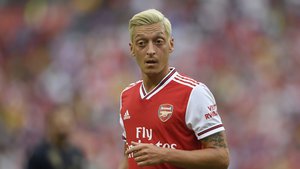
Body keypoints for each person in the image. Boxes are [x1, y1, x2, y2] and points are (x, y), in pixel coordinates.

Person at [118, 9, 230, 169]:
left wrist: (164, 154)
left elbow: (221, 157)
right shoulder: (126, 96)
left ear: (171, 44)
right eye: (142, 43)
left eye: (158, 41)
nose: (150, 51)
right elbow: (129, 158)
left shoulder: (193, 92)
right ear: (132, 49)